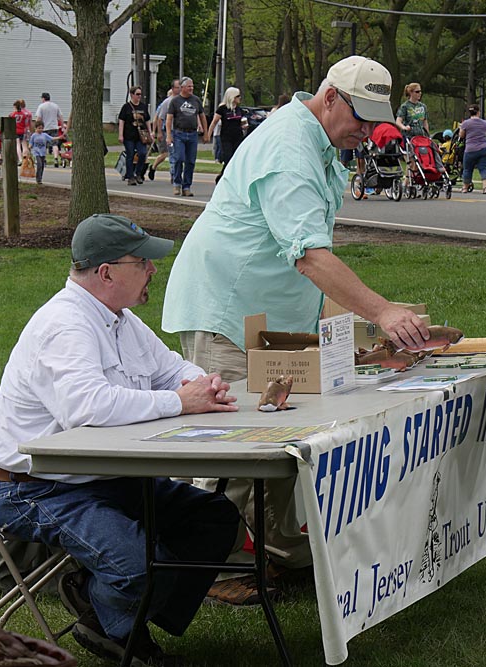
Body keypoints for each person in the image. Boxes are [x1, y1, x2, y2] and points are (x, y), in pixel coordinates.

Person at [162, 55, 430, 605]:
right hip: (231, 312)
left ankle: (277, 551)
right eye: (361, 115)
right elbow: (309, 254)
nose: (368, 129)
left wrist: (348, 326)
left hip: (273, 316)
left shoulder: (320, 143)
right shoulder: (290, 149)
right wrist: (382, 312)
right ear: (330, 97)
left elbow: (305, 255)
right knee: (238, 448)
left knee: (286, 439)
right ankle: (210, 567)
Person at [0, 214, 240, 665]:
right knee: (137, 567)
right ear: (106, 273)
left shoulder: (118, 318)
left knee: (214, 517)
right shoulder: (66, 325)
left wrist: (204, 383)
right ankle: (114, 613)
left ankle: (106, 616)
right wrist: (181, 403)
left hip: (100, 477)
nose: (153, 270)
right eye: (143, 262)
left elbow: (171, 368)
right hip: (38, 488)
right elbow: (87, 409)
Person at [165, 77, 208, 197]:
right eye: (189, 86)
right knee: (179, 158)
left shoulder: (196, 100)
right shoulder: (175, 101)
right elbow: (169, 119)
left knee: (190, 161)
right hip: (179, 134)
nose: (191, 88)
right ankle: (177, 183)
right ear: (182, 88)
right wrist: (169, 135)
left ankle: (187, 186)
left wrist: (206, 133)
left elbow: (202, 116)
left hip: (193, 134)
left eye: (192, 86)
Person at [205, 86, 247, 184]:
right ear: (232, 97)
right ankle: (222, 178)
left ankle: (225, 176)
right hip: (226, 137)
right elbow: (214, 122)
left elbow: (242, 122)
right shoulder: (223, 109)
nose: (239, 98)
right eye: (238, 96)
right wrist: (208, 135)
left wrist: (244, 125)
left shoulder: (239, 109)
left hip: (238, 137)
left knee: (235, 159)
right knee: (228, 158)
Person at [118, 85, 153, 186]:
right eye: (137, 94)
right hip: (129, 135)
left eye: (140, 94)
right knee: (130, 155)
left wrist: (150, 133)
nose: (139, 96)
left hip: (141, 136)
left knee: (142, 153)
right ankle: (130, 177)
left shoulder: (143, 107)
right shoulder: (126, 107)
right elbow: (121, 121)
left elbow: (147, 120)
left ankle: (138, 173)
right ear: (131, 95)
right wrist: (121, 135)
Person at [395, 82, 428, 187]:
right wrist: (404, 127)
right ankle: (407, 183)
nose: (419, 94)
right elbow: (398, 121)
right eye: (417, 91)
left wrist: (427, 135)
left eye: (420, 91)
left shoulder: (423, 106)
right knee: (411, 161)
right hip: (408, 137)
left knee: (420, 161)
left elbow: (425, 122)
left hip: (420, 137)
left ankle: (411, 182)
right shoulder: (405, 107)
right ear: (411, 93)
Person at [149, 80, 180, 182]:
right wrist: (157, 132)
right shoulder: (166, 103)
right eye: (177, 87)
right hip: (167, 132)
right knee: (168, 154)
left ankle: (174, 174)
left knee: (177, 154)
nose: (180, 89)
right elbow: (158, 118)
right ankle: (172, 175)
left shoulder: (183, 102)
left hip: (179, 131)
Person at [459, 104, 486, 194]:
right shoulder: (484, 123)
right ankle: (485, 187)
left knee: (467, 169)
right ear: (478, 112)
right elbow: (485, 132)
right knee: (484, 168)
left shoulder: (466, 123)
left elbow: (461, 135)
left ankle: (465, 187)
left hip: (470, 149)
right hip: (484, 148)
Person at [34, 92, 63, 167]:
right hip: (54, 127)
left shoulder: (41, 106)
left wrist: (37, 127)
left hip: (44, 128)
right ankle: (56, 159)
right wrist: (62, 126)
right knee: (54, 144)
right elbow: (60, 116)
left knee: (44, 145)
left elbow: (38, 118)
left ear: (43, 98)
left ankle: (44, 160)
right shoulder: (55, 106)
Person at [10, 99, 32, 164]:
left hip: (16, 130)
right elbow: (26, 123)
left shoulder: (13, 114)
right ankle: (26, 158)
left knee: (18, 145)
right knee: (24, 145)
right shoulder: (24, 114)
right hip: (22, 130)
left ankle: (20, 159)